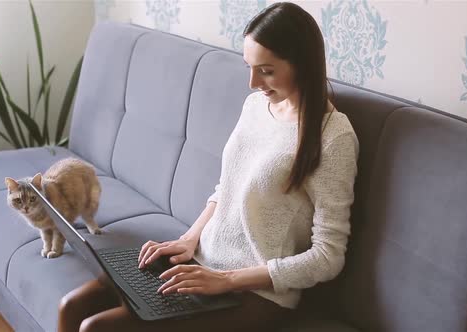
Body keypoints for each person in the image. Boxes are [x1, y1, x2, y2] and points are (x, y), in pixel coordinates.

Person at [57, 2, 359, 331]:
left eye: (267, 70)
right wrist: (188, 239)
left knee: (96, 329)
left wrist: (226, 280)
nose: (253, 82)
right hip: (202, 261)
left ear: (302, 64)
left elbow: (329, 257)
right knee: (71, 306)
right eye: (250, 67)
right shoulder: (256, 105)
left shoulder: (333, 137)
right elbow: (226, 189)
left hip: (256, 293)